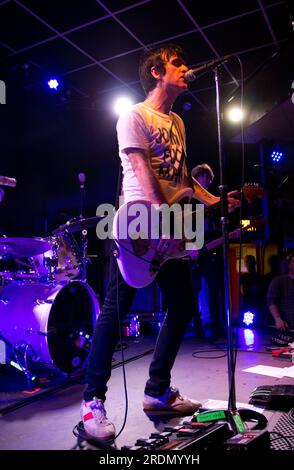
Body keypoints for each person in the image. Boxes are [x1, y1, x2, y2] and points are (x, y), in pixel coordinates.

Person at [80, 44, 240, 441]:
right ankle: (91, 401)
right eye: (178, 64)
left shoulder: (178, 124)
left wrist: (218, 200)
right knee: (116, 311)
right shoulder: (133, 115)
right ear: (156, 71)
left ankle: (157, 391)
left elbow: (183, 182)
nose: (186, 69)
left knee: (184, 303)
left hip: (170, 226)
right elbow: (140, 170)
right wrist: (162, 220)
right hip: (138, 225)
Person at [190, 164, 224, 339]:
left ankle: (217, 326)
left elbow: (215, 227)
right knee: (193, 290)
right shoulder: (188, 197)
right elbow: (180, 224)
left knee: (215, 287)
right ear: (198, 177)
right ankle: (197, 327)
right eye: (207, 179)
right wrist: (189, 246)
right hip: (192, 249)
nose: (209, 183)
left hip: (209, 249)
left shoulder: (211, 200)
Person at [267, 253, 294, 330]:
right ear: (289, 265)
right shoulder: (278, 281)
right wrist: (277, 319)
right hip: (285, 326)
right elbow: (271, 302)